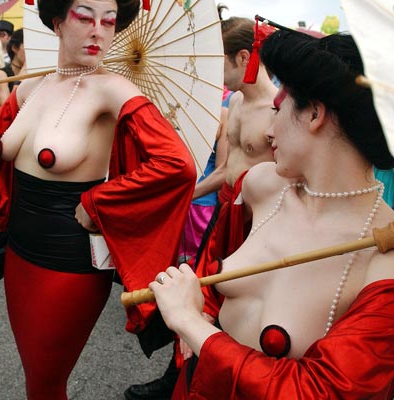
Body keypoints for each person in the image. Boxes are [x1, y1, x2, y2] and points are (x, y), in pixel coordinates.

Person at [151, 30, 394, 399]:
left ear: (314, 113)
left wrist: (191, 325)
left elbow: (325, 391)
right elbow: (216, 263)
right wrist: (201, 309)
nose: (270, 129)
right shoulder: (259, 185)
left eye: (279, 108)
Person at [0, 0, 196, 399]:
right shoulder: (33, 84)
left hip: (69, 265)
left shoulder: (113, 89)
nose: (98, 30)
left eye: (109, 21)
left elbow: (176, 164)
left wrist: (100, 200)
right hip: (18, 254)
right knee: (36, 380)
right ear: (58, 21)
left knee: (45, 383)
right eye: (85, 17)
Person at [124, 16, 276, 400]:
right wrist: (183, 193)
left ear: (243, 58)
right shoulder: (237, 101)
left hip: (256, 224)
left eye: (218, 61)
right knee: (195, 296)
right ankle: (173, 378)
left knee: (228, 309)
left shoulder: (278, 111)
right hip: (224, 215)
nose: (215, 73)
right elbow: (225, 171)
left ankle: (202, 382)